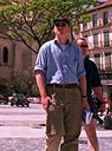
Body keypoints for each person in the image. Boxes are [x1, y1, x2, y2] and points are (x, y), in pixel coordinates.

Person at [34, 17, 89, 151]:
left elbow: (81, 74)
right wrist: (43, 96)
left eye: (63, 24)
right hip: (54, 93)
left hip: (74, 93)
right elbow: (39, 71)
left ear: (69, 28)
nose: (60, 27)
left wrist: (84, 98)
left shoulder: (76, 50)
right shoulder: (46, 48)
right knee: (54, 132)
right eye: (57, 24)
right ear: (54, 29)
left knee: (72, 135)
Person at [76, 38, 104, 151]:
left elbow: (96, 85)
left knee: (91, 131)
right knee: (70, 134)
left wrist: (101, 101)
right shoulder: (69, 63)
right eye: (81, 46)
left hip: (88, 102)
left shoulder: (91, 65)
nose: (84, 48)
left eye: (85, 46)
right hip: (72, 101)